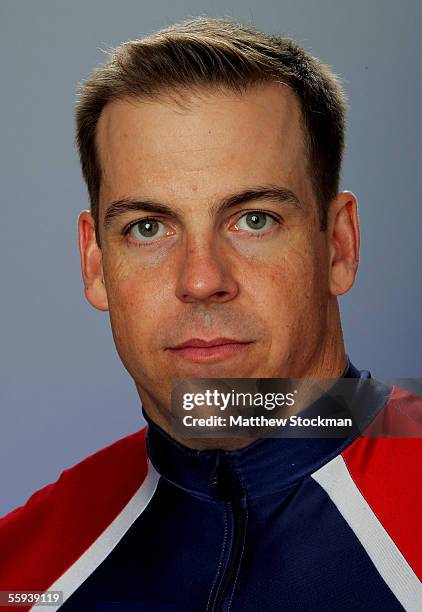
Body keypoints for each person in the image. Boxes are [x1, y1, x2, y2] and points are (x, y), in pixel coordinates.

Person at [1, 17, 421, 612]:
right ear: (95, 262)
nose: (201, 280)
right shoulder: (21, 569)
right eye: (147, 228)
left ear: (340, 246)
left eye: (254, 219)